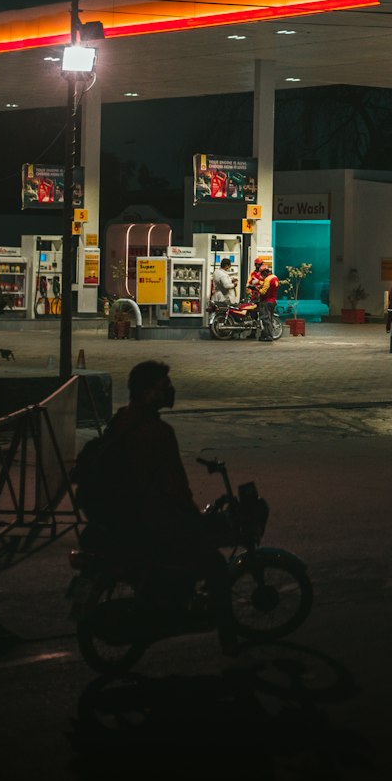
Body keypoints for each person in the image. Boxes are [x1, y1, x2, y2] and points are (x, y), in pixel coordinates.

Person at [108, 360, 236, 653]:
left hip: (126, 515)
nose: (170, 391)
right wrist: (193, 518)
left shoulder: (121, 420)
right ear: (148, 393)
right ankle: (230, 652)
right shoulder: (158, 432)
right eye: (164, 386)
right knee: (216, 565)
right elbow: (176, 487)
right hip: (154, 520)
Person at [247, 256, 279, 341]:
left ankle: (268, 336)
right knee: (268, 318)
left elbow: (263, 291)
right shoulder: (274, 277)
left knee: (265, 319)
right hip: (273, 301)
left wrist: (256, 288)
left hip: (266, 302)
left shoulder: (268, 279)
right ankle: (264, 335)